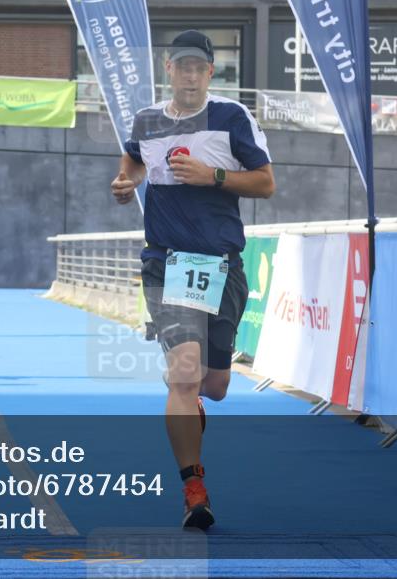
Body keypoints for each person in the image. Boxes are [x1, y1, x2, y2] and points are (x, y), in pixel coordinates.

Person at [110, 30, 275, 530]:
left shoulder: (231, 118)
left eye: (196, 66)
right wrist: (126, 182)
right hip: (167, 263)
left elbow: (266, 182)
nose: (187, 73)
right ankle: (194, 488)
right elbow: (134, 156)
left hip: (220, 263)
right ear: (168, 69)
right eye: (179, 65)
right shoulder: (148, 120)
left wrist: (214, 177)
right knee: (184, 374)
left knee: (215, 385)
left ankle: (192, 397)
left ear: (209, 73)